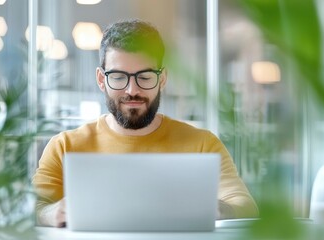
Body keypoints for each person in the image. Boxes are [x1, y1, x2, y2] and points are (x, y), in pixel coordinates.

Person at [32, 19, 259, 227]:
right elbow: (30, 208)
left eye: (145, 77)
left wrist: (213, 208)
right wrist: (51, 213)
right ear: (102, 80)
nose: (132, 90)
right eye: (119, 77)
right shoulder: (65, 146)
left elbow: (246, 206)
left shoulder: (203, 144)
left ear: (163, 79)